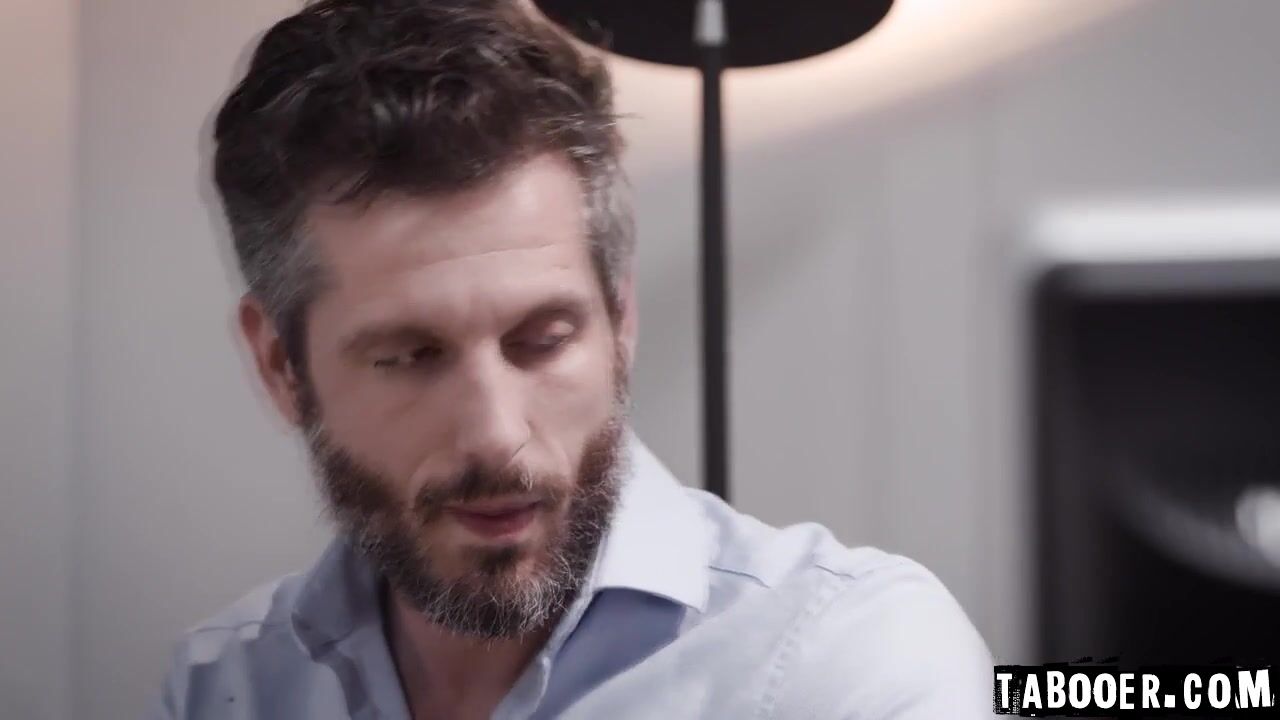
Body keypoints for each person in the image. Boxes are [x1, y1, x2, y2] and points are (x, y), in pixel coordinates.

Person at [148, 1, 992, 717]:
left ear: (619, 320)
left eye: (543, 340)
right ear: (280, 366)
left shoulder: (847, 661)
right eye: (409, 356)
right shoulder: (226, 686)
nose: (497, 434)